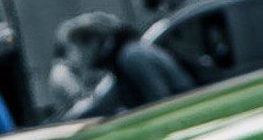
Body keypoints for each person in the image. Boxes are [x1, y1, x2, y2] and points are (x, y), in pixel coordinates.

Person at [56, 12, 193, 116]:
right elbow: (104, 103)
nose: (78, 58)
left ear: (92, 42)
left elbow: (160, 101)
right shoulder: (123, 57)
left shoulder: (130, 57)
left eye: (78, 50)